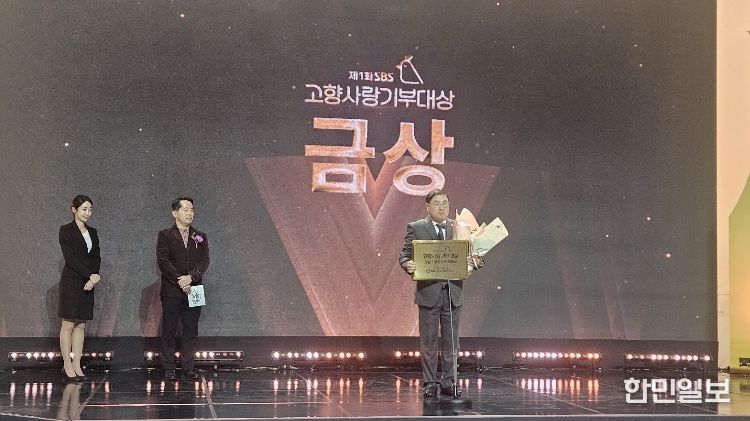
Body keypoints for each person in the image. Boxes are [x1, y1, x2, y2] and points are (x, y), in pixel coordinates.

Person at [399, 189, 478, 398]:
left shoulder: (459, 227)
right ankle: (430, 382)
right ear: (427, 207)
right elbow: (404, 256)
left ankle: (449, 381)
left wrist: (476, 261)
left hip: (453, 293)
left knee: (452, 341)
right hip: (428, 292)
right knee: (429, 342)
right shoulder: (416, 227)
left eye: (445, 203)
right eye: (437, 203)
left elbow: (474, 254)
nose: (442, 207)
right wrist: (408, 264)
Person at [157, 196, 210, 380]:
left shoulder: (199, 236)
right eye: (185, 209)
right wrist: (180, 280)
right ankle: (169, 368)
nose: (190, 213)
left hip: (195, 288)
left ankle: (188, 367)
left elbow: (204, 261)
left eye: (192, 209)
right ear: (175, 213)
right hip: (172, 289)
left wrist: (191, 278)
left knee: (191, 329)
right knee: (169, 329)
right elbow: (163, 261)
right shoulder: (165, 235)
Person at [58, 194, 101, 382]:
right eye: (84, 209)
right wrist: (89, 275)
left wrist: (94, 276)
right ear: (74, 210)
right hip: (72, 281)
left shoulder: (93, 232)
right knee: (68, 323)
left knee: (81, 324)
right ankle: (67, 364)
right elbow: (70, 258)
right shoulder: (66, 230)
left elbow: (96, 257)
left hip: (88, 283)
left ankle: (77, 364)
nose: (87, 213)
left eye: (90, 209)